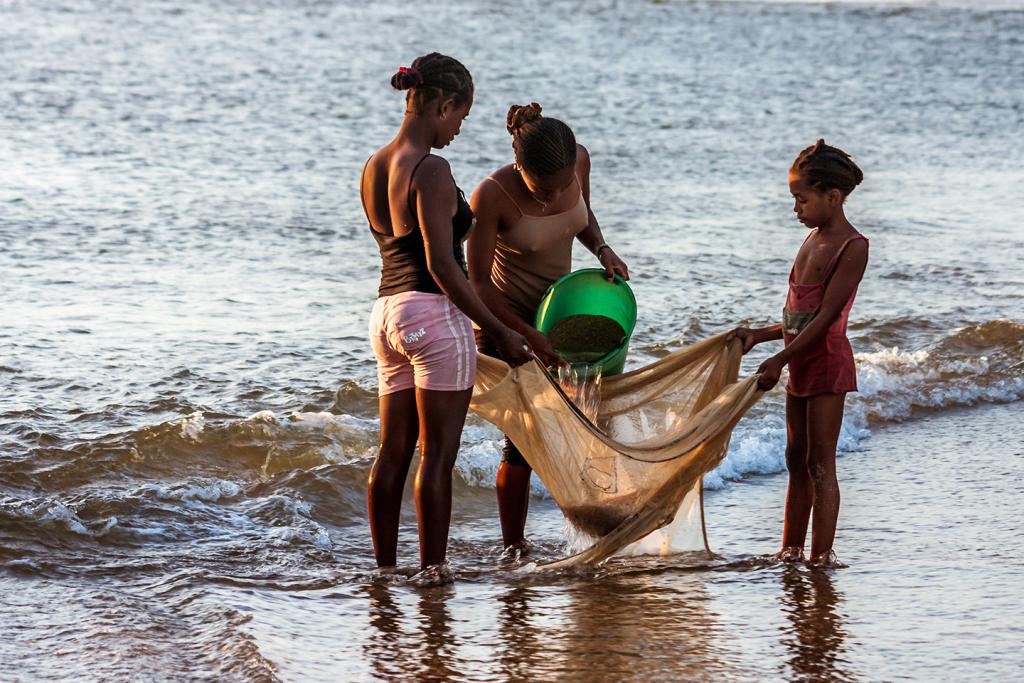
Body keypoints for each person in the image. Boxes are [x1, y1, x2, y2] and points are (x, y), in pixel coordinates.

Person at [360, 53, 532, 572]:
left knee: (392, 452)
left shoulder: (375, 164)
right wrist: (501, 329)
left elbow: (400, 250)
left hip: (385, 314)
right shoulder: (431, 169)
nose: (458, 129)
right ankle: (433, 575)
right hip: (432, 316)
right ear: (441, 103)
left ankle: (385, 572)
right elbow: (441, 265)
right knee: (436, 457)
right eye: (460, 117)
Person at [468, 102, 630, 553]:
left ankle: (603, 526)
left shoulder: (577, 161)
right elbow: (477, 283)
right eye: (542, 192)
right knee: (523, 442)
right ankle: (513, 547)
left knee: (596, 421)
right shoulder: (491, 195)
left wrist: (602, 249)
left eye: (560, 190)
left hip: (563, 318)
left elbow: (583, 217)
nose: (551, 200)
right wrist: (522, 332)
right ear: (519, 164)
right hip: (510, 327)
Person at [729, 139, 869, 567]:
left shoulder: (852, 246)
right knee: (796, 459)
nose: (796, 209)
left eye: (801, 199)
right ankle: (789, 551)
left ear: (832, 196)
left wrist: (780, 361)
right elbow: (796, 317)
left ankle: (821, 557)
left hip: (826, 363)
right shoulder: (811, 238)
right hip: (800, 360)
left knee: (820, 463)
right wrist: (760, 335)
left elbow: (825, 319)